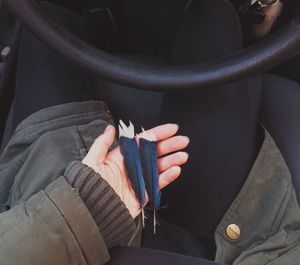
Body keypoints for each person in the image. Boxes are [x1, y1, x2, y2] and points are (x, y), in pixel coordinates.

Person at [1, 0, 300, 264]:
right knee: (213, 18)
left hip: (46, 206)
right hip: (214, 244)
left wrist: (83, 212)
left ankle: (101, 18)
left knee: (44, 27)